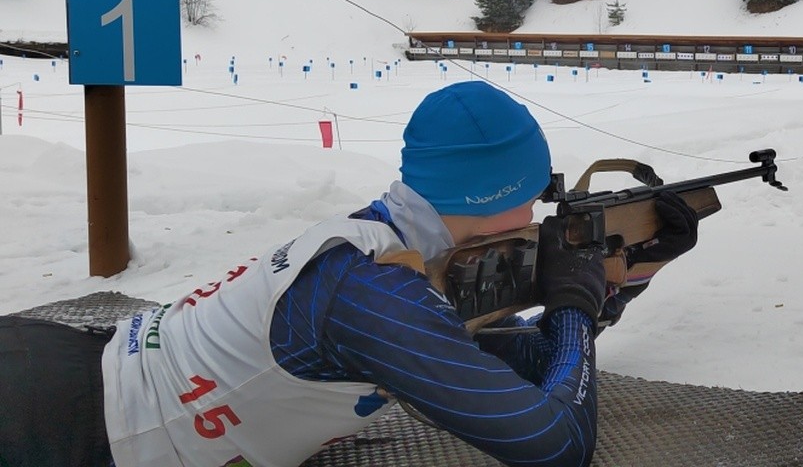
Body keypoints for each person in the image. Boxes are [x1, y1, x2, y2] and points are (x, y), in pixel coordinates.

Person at [0, 80, 698, 467]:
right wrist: (574, 306)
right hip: (63, 428)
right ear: (496, 197)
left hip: (68, 367)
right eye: (536, 190)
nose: (542, 208)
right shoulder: (374, 297)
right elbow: (555, 445)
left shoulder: (389, 246)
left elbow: (536, 363)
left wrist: (626, 272)